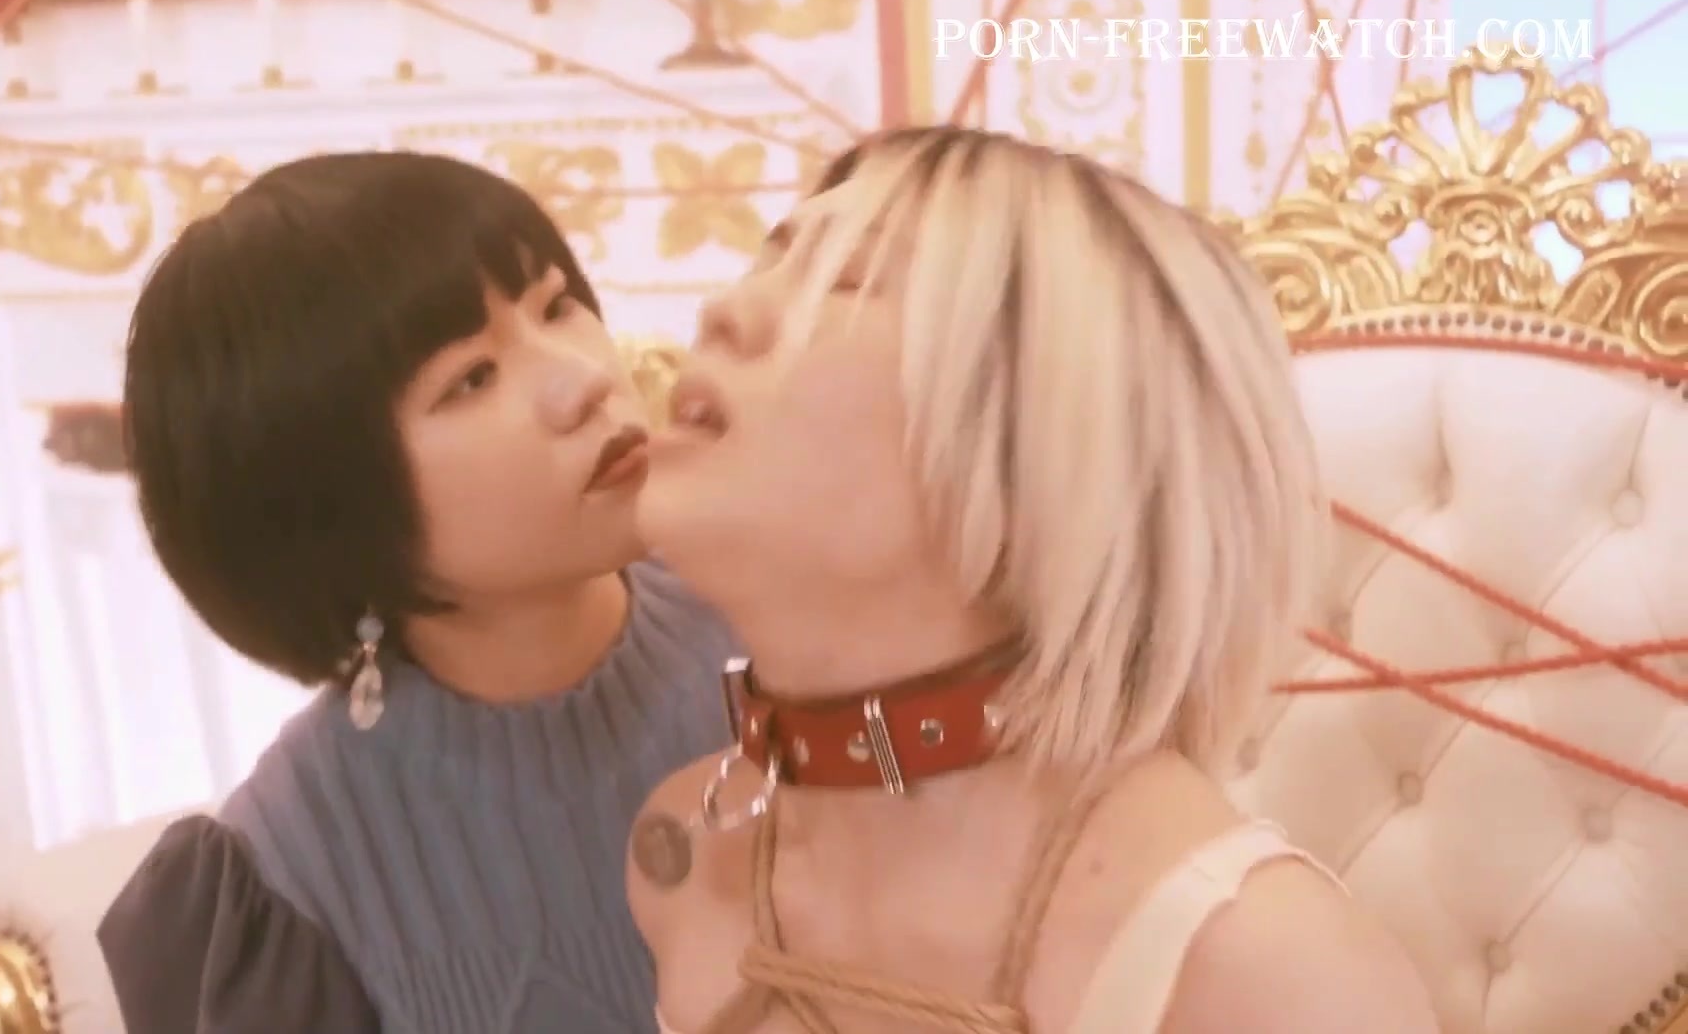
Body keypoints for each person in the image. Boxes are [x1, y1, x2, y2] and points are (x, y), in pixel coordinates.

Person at [626, 128, 1440, 1034]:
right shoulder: (686, 855)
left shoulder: (1266, 972)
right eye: (769, 262)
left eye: (846, 279)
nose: (725, 310)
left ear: (1051, 454)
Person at [99, 151, 738, 1034]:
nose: (584, 380)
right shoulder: (288, 882)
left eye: (557, 305)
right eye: (471, 379)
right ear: (327, 511)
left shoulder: (789, 610)